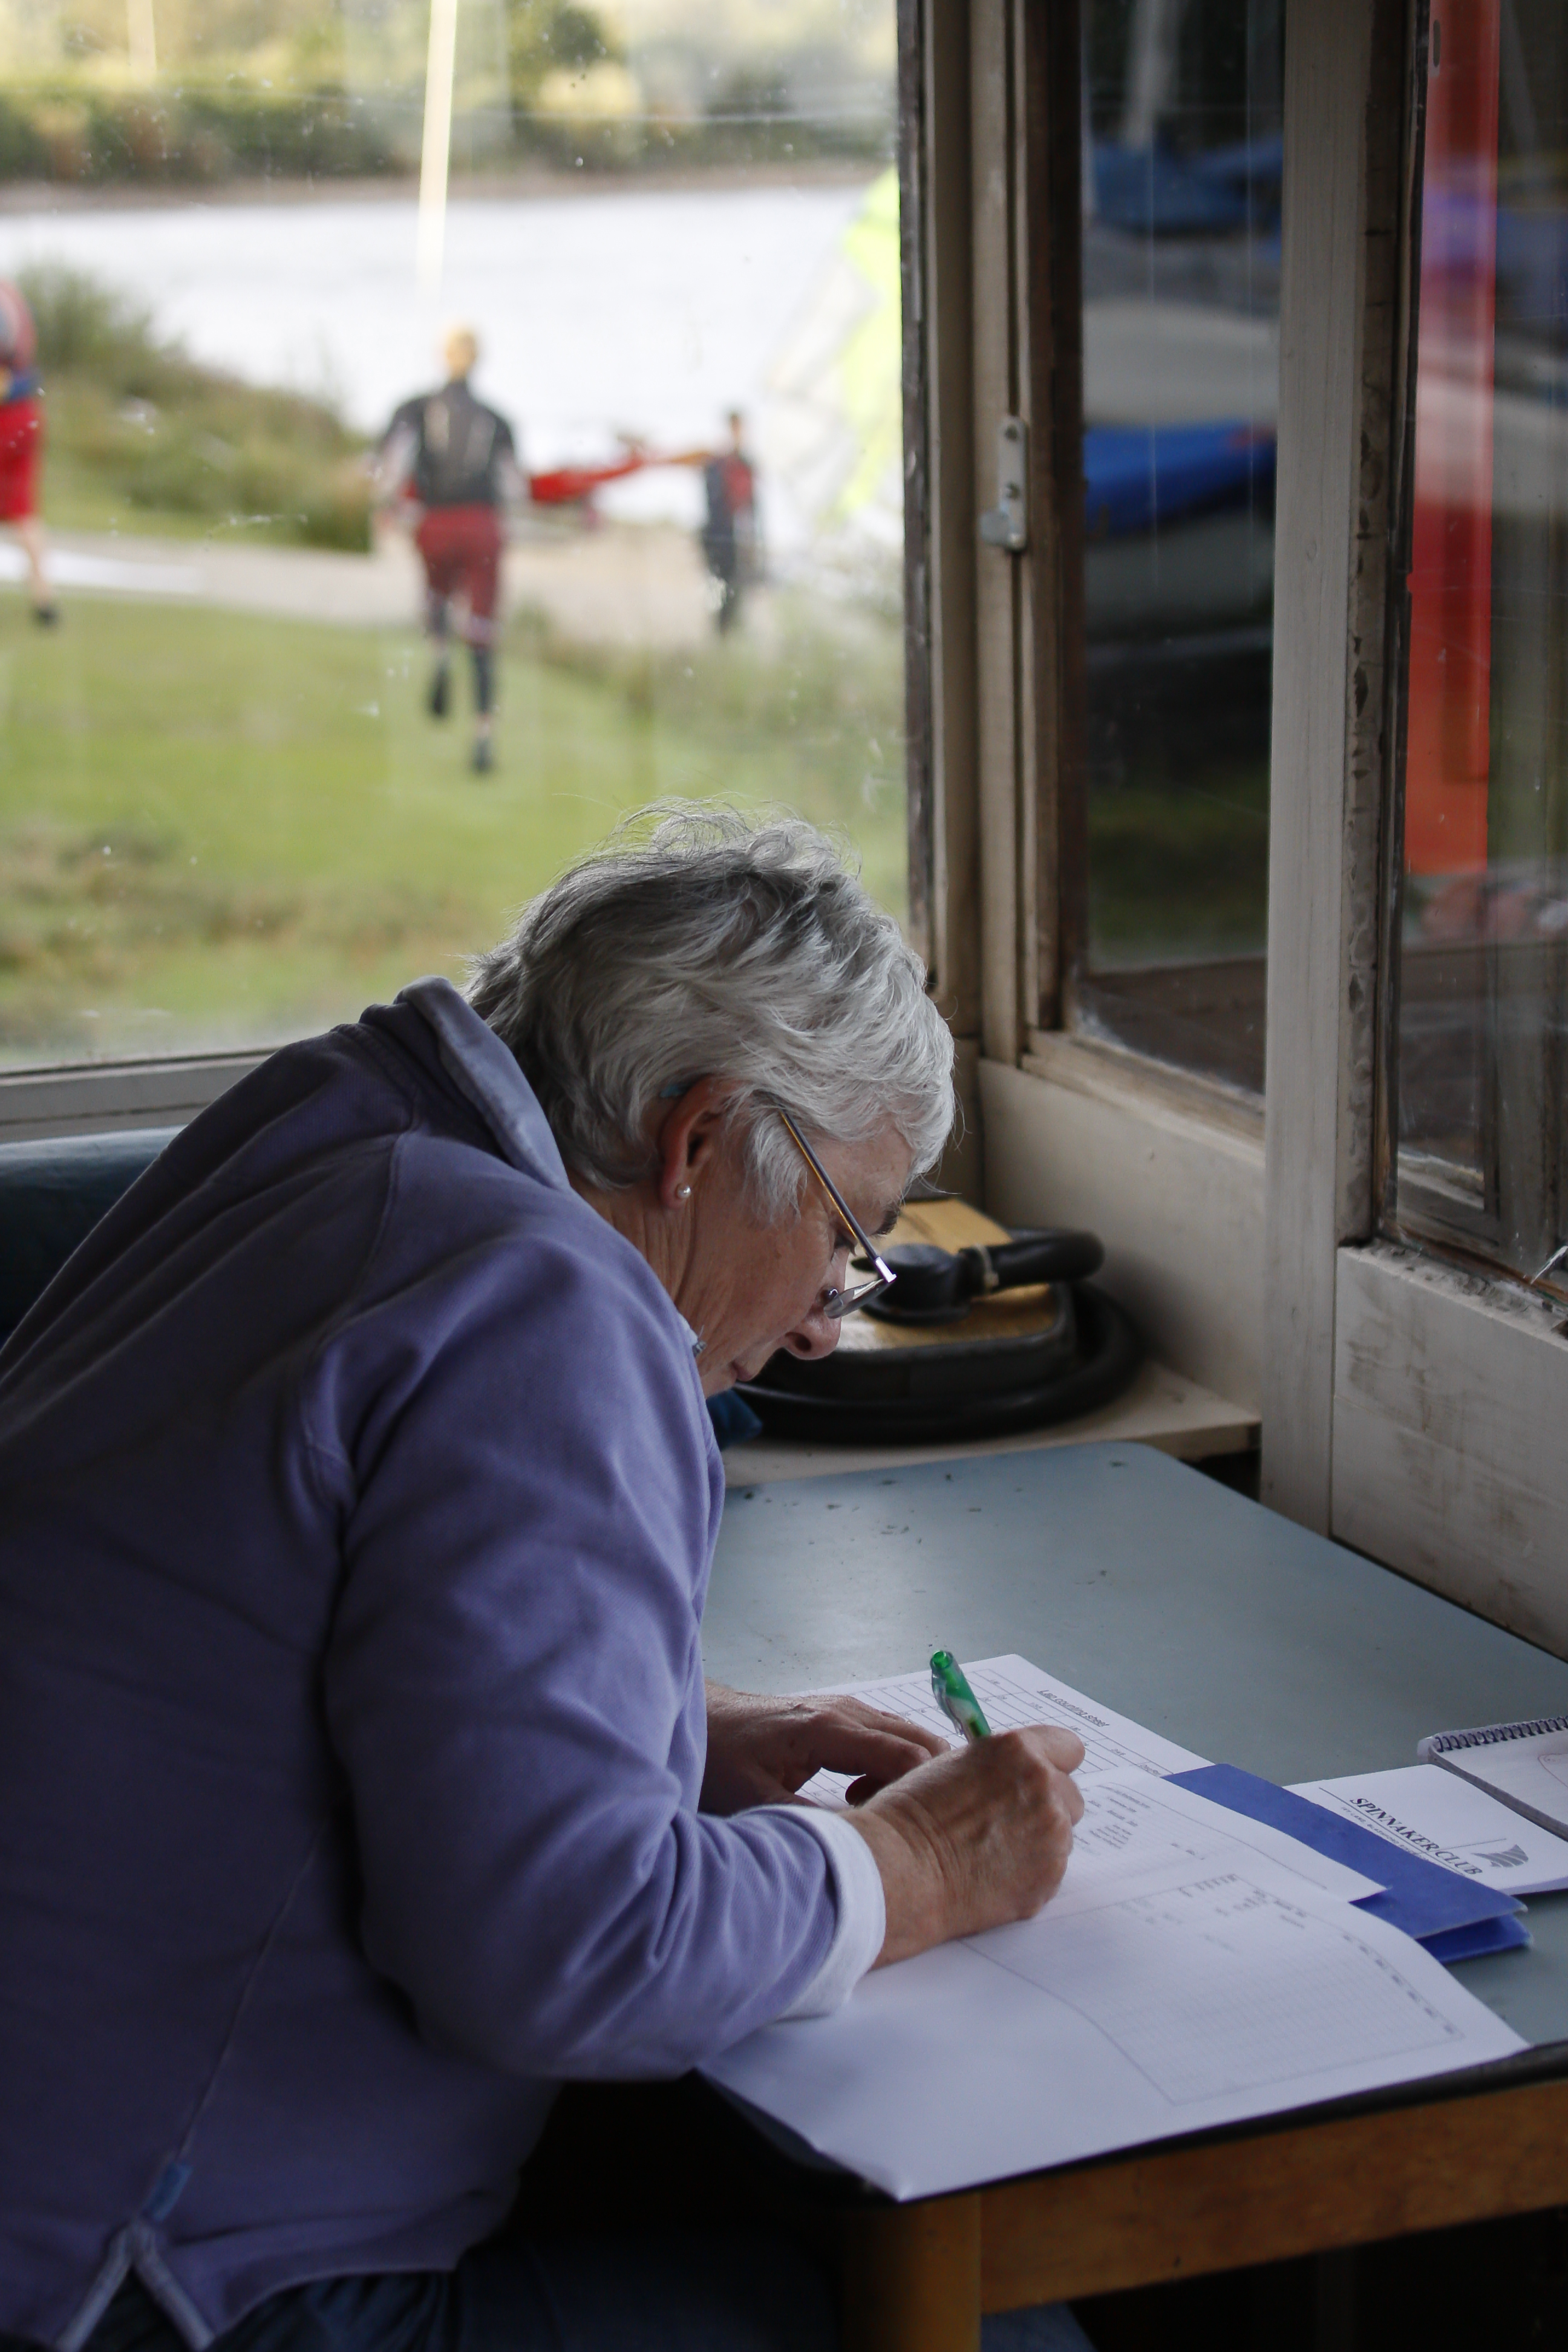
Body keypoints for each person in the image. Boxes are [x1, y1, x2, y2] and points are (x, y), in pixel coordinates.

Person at [0, 809, 1093, 2352]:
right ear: (699, 1139)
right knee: (986, 2326)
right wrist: (910, 1869)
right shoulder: (545, 1303)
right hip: (148, 2266)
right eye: (846, 1236)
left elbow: (253, 1612)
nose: (819, 1326)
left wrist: (679, 1731)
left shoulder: (340, 1122)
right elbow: (568, 1954)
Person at [377, 328, 523, 776]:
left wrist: (390, 507)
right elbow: (513, 486)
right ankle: (483, 734)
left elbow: (391, 466)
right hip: (481, 525)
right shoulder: (498, 420)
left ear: (444, 356)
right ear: (479, 360)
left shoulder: (415, 408)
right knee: (482, 629)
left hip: (436, 522)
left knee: (437, 594)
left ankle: (440, 653)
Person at [0, 279, 57, 626]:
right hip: (28, 414)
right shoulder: (14, 294)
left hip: (6, 414)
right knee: (24, 509)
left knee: (23, 510)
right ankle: (44, 601)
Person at [700, 409, 758, 634]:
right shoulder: (717, 463)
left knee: (735, 587)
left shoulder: (745, 463)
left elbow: (752, 504)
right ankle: (719, 631)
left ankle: (726, 632)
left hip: (735, 535)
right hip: (718, 533)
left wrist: (753, 538)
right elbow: (712, 501)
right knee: (718, 585)